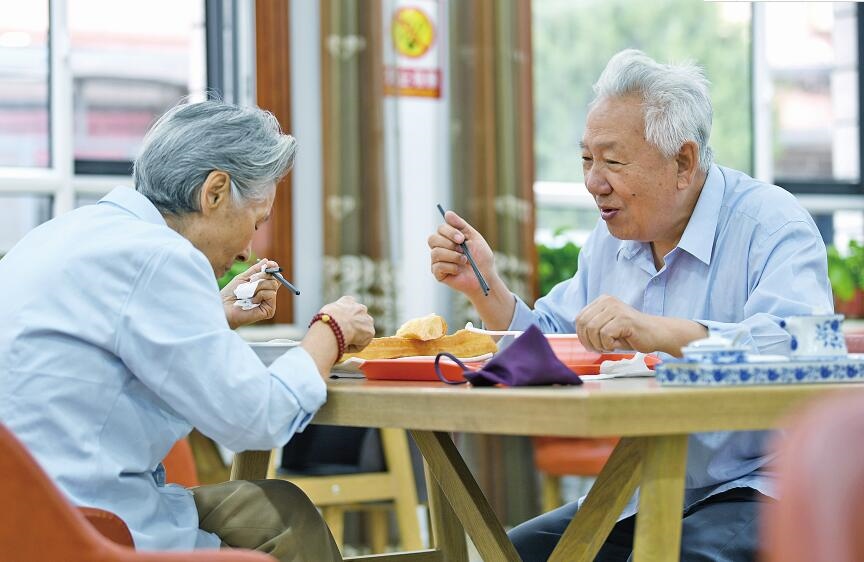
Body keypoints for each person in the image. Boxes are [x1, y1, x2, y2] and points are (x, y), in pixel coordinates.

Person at [428, 49, 833, 562]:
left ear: (683, 162)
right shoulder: (612, 239)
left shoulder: (771, 224)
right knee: (511, 555)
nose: (594, 182)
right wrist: (484, 287)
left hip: (762, 489)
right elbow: (552, 344)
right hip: (645, 491)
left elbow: (799, 347)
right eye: (586, 159)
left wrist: (659, 331)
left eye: (613, 162)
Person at [0, 100, 375, 561]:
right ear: (214, 192)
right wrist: (329, 330)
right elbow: (257, 419)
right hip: (89, 524)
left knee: (278, 509)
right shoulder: (160, 256)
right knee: (285, 515)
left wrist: (212, 313)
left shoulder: (64, 233)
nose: (248, 250)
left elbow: (116, 338)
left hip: (21, 513)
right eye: (256, 222)